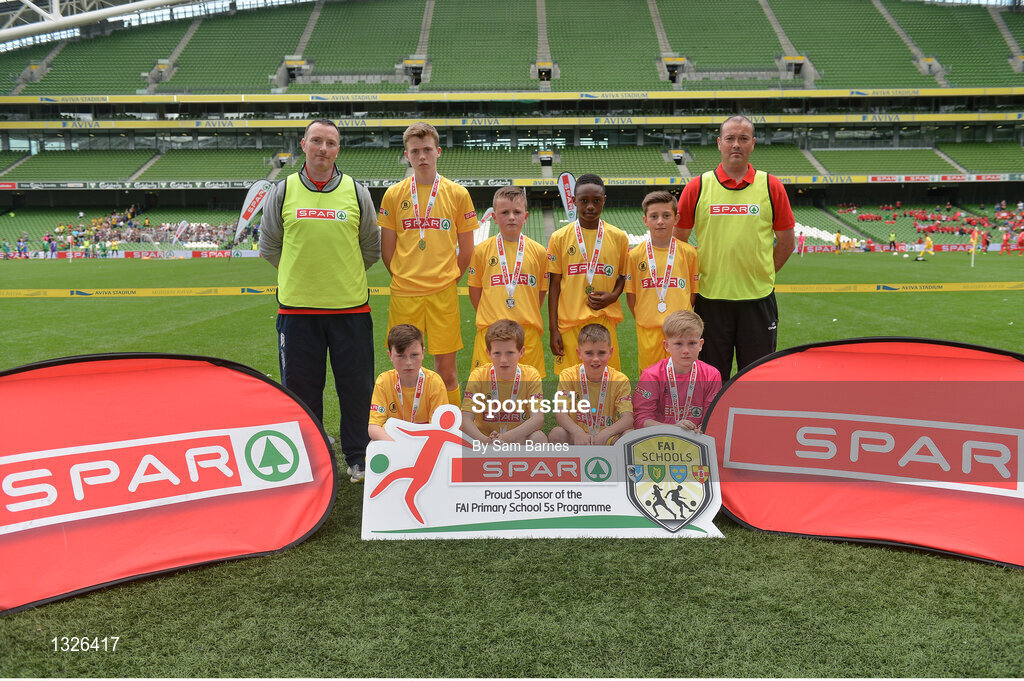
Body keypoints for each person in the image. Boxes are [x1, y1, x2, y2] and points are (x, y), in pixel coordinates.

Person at [259, 118, 380, 483]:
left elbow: (370, 248)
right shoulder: (283, 191)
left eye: (330, 143)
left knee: (356, 389)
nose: (323, 148)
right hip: (297, 311)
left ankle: (358, 457)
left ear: (337, 149)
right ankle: (313, 456)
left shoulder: (357, 192)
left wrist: (338, 275)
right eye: (317, 141)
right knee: (301, 390)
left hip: (351, 309)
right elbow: (269, 246)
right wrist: (303, 274)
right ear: (304, 144)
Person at [673, 115, 795, 381]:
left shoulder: (771, 185)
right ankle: (712, 424)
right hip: (711, 300)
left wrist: (763, 272)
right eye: (730, 138)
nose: (736, 144)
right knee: (712, 378)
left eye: (742, 138)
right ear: (719, 143)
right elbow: (677, 243)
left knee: (757, 378)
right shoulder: (698, 186)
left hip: (758, 300)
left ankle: (753, 423)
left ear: (753, 143)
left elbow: (786, 242)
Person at [378, 122, 478, 407]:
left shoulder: (458, 194)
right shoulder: (394, 195)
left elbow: (467, 252)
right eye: (415, 151)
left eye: (427, 150)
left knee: (446, 372)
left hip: (442, 294)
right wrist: (407, 276)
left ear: (438, 152)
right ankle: (408, 430)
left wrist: (446, 279)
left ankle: (450, 430)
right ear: (407, 155)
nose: (422, 156)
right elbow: (388, 252)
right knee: (405, 370)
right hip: (404, 295)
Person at [547, 174, 630, 372]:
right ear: (574, 201)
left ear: (604, 201)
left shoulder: (618, 237)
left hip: (604, 320)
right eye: (584, 201)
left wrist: (613, 295)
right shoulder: (558, 238)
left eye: (596, 201)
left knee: (607, 381)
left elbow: (623, 275)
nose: (590, 206)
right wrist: (553, 330)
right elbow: (555, 286)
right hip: (569, 323)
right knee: (571, 385)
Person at [467, 186, 549, 377]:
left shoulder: (539, 252)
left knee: (529, 395)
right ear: (495, 217)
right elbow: (475, 292)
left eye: (517, 212)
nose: (511, 217)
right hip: (490, 332)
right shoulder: (481, 251)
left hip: (527, 334)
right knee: (486, 392)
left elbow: (540, 293)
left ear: (525, 216)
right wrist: (492, 318)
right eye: (505, 212)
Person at [625, 190, 699, 374]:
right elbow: (631, 297)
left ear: (676, 218)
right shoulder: (634, 256)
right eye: (654, 216)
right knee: (651, 379)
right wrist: (646, 318)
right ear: (645, 220)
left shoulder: (689, 253)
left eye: (666, 215)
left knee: (682, 378)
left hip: (681, 333)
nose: (660, 221)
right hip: (648, 331)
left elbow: (692, 294)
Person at [632, 310, 722, 434]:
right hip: (659, 439)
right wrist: (671, 429)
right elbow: (640, 420)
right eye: (678, 344)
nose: (685, 350)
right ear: (667, 345)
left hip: (697, 439)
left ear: (700, 344)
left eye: (692, 343)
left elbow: (712, 417)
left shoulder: (712, 375)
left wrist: (702, 429)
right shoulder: (651, 375)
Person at [460, 319, 546, 445]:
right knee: (458, 436)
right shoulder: (478, 375)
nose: (503, 360)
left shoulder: (531, 375)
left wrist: (505, 438)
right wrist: (486, 441)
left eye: (510, 353)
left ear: (521, 352)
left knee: (538, 438)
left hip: (517, 438)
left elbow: (538, 418)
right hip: (484, 439)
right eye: (497, 353)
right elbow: (466, 419)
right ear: (488, 353)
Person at [549, 324, 633, 446]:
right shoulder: (568, 376)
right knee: (557, 434)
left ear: (610, 352)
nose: (595, 359)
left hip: (607, 438)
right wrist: (577, 432)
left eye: (601, 353)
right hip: (578, 437)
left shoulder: (619, 379)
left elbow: (628, 418)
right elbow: (561, 413)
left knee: (629, 435)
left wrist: (606, 433)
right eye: (589, 353)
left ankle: (616, 463)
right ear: (579, 353)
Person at [369, 324, 449, 442]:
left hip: (427, 440)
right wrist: (397, 445)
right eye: (400, 356)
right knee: (372, 446)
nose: (408, 363)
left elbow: (439, 429)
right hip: (395, 439)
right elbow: (373, 427)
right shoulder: (384, 381)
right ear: (390, 355)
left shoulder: (434, 382)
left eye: (414, 355)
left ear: (423, 353)